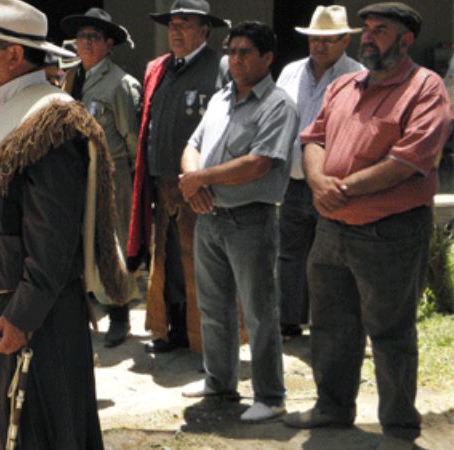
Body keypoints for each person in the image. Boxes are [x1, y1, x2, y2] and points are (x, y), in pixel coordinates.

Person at [0, 0, 129, 447]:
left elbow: (52, 240)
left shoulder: (49, 121)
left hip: (26, 314)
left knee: (33, 429)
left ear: (15, 54)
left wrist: (22, 317)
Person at [283, 4, 453, 448]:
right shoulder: (345, 84)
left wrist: (344, 188)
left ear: (405, 40)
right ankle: (332, 407)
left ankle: (398, 427)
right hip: (332, 228)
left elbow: (411, 158)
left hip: (389, 233)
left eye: (381, 31)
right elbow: (313, 137)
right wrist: (319, 182)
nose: (370, 37)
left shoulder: (425, 88)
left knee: (391, 331)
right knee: (331, 326)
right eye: (368, 30)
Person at [179, 21, 298, 423]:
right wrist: (193, 184)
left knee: (259, 310)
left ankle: (270, 394)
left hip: (250, 220)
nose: (236, 58)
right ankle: (220, 382)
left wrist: (201, 179)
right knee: (213, 306)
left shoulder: (278, 104)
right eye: (232, 51)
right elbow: (192, 145)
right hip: (209, 216)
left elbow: (259, 163)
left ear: (267, 58)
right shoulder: (220, 98)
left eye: (246, 52)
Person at [128, 0, 228, 354]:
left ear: (204, 30)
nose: (176, 30)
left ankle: (210, 345)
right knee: (168, 263)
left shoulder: (221, 68)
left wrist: (208, 180)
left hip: (204, 187)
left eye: (185, 24)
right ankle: (174, 332)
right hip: (165, 185)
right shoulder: (160, 69)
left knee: (204, 267)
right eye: (172, 24)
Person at [275, 5, 363, 340]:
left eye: (327, 39)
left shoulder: (357, 76)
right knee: (289, 253)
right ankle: (289, 319)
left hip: (330, 182)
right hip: (291, 179)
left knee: (329, 257)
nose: (319, 44)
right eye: (314, 38)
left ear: (344, 40)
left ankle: (329, 323)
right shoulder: (291, 72)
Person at [60, 7, 141, 348]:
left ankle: (120, 313)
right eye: (82, 37)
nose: (86, 43)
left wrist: (134, 184)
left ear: (109, 44)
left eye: (94, 38)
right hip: (77, 173)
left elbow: (133, 139)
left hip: (112, 173)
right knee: (83, 240)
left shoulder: (120, 83)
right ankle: (95, 303)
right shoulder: (71, 77)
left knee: (114, 240)